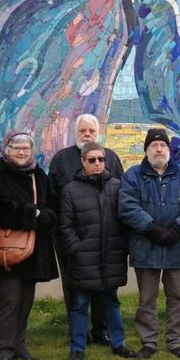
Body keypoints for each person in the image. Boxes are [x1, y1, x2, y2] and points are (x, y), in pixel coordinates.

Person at [119, 128, 180, 360]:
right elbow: (127, 207)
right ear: (146, 150)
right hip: (146, 246)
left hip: (176, 245)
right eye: (154, 145)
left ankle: (176, 342)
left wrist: (176, 228)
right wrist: (151, 229)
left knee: (176, 297)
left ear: (169, 150)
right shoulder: (133, 176)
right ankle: (149, 342)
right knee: (147, 298)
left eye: (163, 145)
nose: (158, 149)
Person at [0, 131, 59, 360]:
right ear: (7, 150)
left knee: (26, 299)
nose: (21, 152)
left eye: (26, 148)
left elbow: (52, 207)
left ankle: (19, 345)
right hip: (9, 247)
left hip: (35, 248)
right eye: (16, 148)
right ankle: (2, 351)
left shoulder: (39, 175)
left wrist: (44, 216)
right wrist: (31, 213)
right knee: (10, 299)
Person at [48, 113, 123, 345]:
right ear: (76, 133)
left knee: (105, 287)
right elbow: (52, 199)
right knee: (74, 288)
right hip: (70, 238)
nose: (87, 134)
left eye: (91, 130)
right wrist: (69, 240)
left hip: (104, 239)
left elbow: (123, 196)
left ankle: (101, 330)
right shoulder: (61, 159)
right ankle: (78, 333)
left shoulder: (110, 157)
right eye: (83, 131)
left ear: (98, 132)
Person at [59, 142, 137, 360]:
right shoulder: (71, 190)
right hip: (84, 258)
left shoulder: (117, 186)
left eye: (101, 159)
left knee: (111, 302)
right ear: (82, 161)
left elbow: (125, 221)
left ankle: (118, 343)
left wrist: (122, 246)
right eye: (92, 160)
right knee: (80, 303)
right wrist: (77, 249)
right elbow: (65, 226)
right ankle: (77, 347)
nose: (97, 163)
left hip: (111, 256)